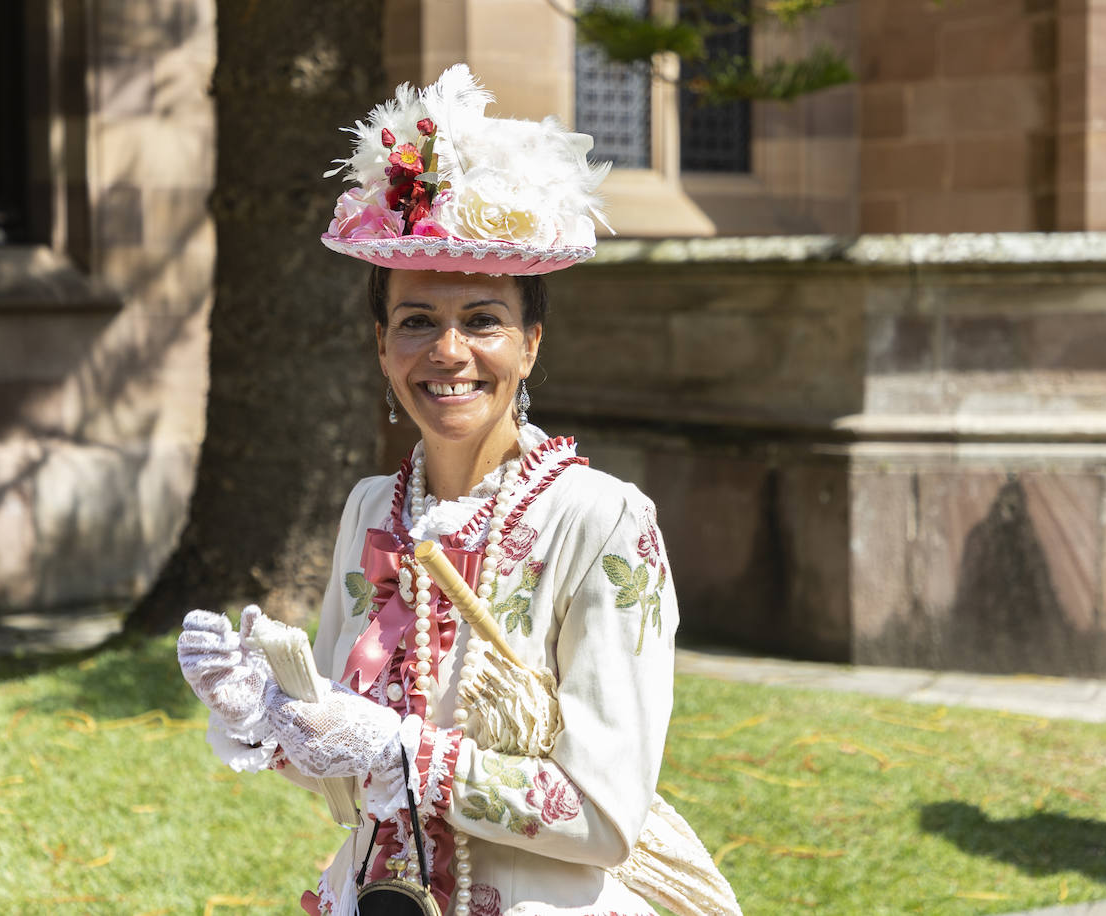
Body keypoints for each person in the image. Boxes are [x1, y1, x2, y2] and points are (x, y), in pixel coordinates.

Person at [178, 64, 737, 916]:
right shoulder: (372, 508)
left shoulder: (603, 522)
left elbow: (604, 812)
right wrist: (266, 713)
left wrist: (404, 751)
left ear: (531, 343)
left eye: (482, 319)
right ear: (379, 344)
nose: (447, 353)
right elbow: (350, 760)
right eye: (415, 322)